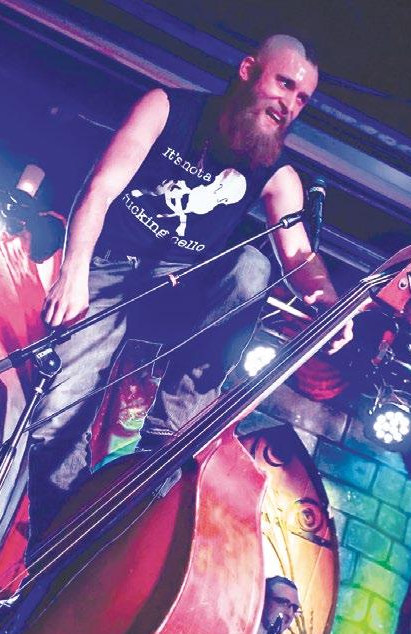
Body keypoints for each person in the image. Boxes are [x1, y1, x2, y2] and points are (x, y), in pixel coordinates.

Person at [28, 34, 353, 556]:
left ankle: (171, 428)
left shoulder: (278, 174)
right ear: (248, 71)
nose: (289, 104)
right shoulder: (166, 107)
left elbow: (298, 255)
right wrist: (74, 270)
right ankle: (52, 553)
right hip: (109, 274)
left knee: (253, 267)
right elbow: (101, 188)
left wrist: (330, 302)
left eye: (301, 99)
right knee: (56, 418)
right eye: (283, 84)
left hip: (179, 291)